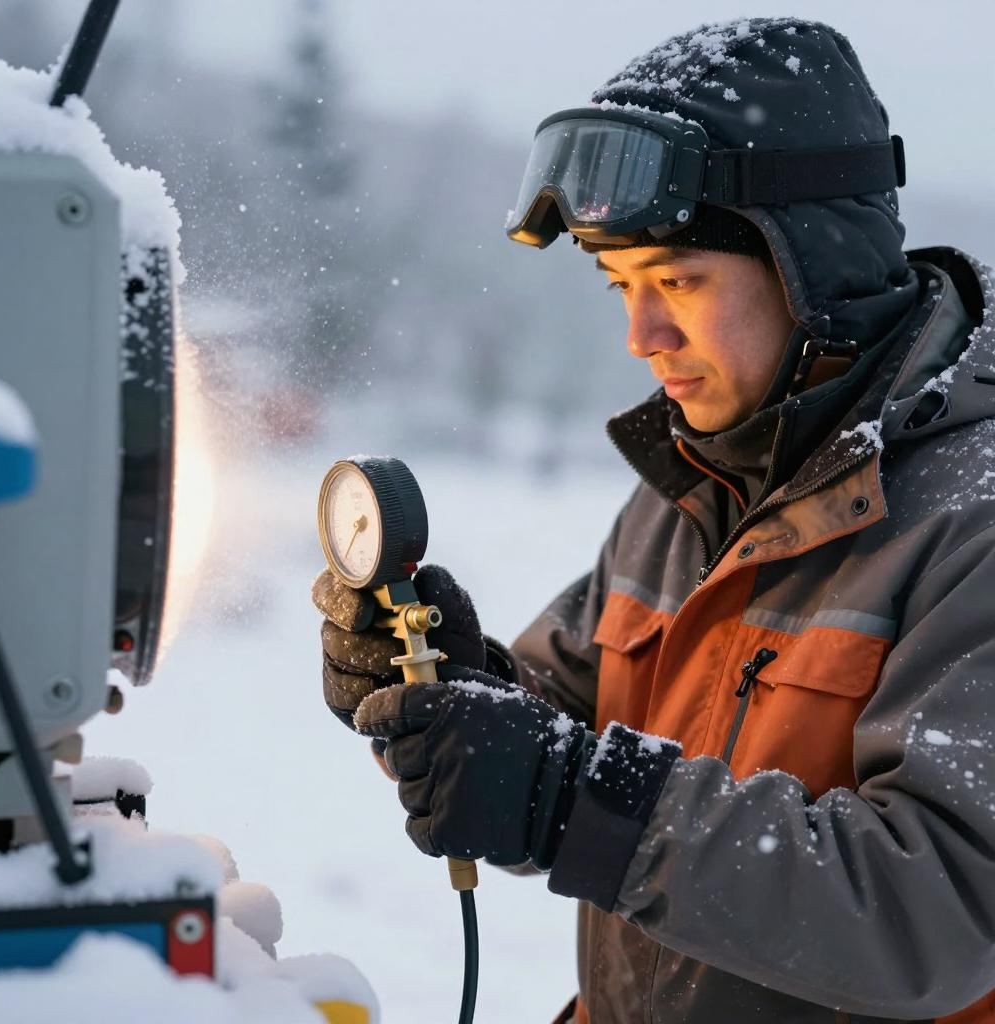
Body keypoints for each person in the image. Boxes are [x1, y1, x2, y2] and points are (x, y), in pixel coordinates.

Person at [313, 17, 995, 1024]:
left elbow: (939, 912)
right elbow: (569, 735)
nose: (641, 335)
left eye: (677, 280)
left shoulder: (966, 526)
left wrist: (572, 799)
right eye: (619, 284)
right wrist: (451, 692)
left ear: (817, 265)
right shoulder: (686, 490)